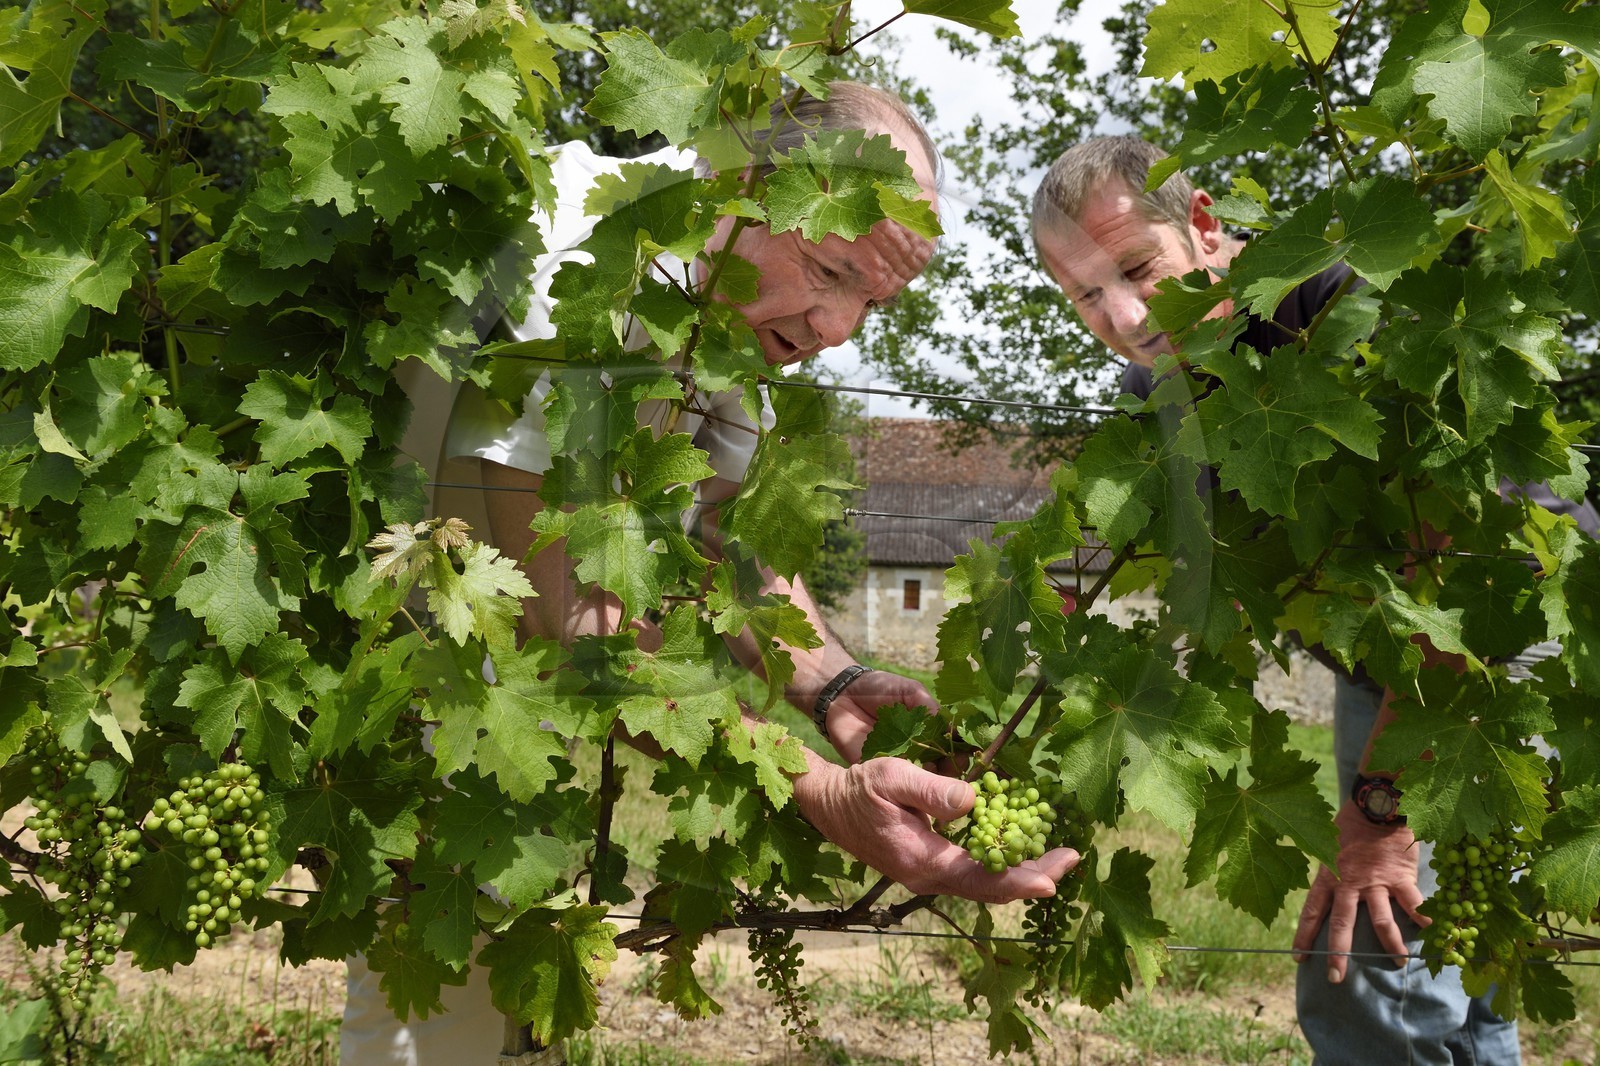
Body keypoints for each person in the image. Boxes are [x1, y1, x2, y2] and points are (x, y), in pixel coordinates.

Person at [345, 84, 1079, 1064]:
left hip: (490, 681)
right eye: (828, 271)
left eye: (873, 301)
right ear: (736, 183)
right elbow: (576, 631)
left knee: (491, 1016)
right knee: (422, 1029)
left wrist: (833, 683)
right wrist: (814, 785)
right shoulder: (588, 260)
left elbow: (729, 540)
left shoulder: (720, 313)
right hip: (408, 672)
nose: (837, 330)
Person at [1028, 134, 1539, 1065]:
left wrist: (1379, 815)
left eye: (1135, 270)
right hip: (1376, 660)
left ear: (1205, 226)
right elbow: (1112, 549)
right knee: (1458, 965)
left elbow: (1451, 579)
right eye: (1085, 295)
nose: (1123, 314)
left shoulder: (1341, 304)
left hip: (1506, 634)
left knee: (1369, 962)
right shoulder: (1158, 391)